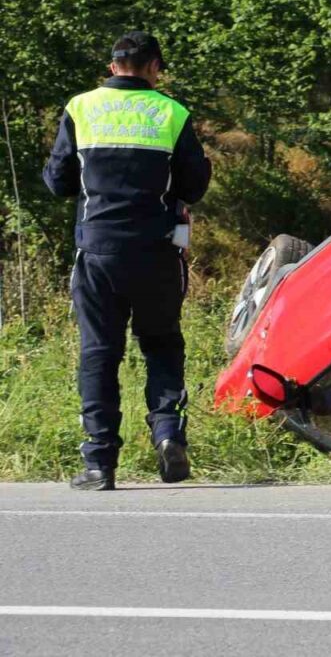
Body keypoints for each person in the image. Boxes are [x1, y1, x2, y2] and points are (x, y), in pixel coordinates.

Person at [43, 31, 211, 490]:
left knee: (99, 353)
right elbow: (195, 186)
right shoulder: (171, 112)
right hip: (156, 249)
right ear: (155, 66)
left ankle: (99, 463)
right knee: (161, 344)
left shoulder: (81, 108)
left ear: (113, 65)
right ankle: (168, 434)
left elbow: (58, 182)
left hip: (97, 250)